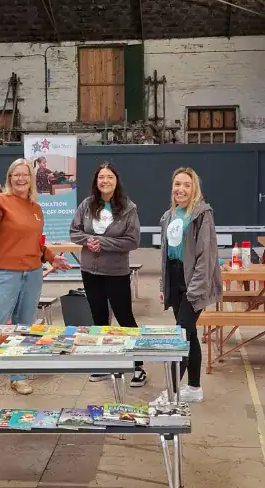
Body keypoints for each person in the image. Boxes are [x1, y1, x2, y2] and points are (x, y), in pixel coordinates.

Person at [0, 159, 72, 402]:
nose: (21, 179)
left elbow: (35, 242)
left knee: (24, 327)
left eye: (25, 174)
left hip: (32, 274)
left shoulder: (35, 207)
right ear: (10, 178)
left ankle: (18, 376)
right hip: (4, 274)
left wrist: (51, 258)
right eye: (16, 175)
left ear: (31, 179)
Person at [70, 162, 146, 387]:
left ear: (116, 181)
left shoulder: (128, 208)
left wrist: (102, 242)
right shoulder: (86, 205)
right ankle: (104, 362)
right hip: (90, 271)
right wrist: (88, 241)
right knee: (99, 318)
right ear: (96, 181)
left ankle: (138, 366)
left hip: (116, 272)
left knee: (125, 319)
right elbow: (75, 232)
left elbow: (132, 241)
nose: (105, 181)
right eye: (101, 177)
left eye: (109, 177)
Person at [155, 167, 222, 403]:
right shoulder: (168, 216)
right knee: (190, 334)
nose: (180, 189)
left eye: (186, 185)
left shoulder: (202, 214)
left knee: (180, 336)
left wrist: (194, 290)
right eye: (177, 184)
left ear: (194, 189)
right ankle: (194, 388)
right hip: (175, 278)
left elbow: (206, 256)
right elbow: (166, 254)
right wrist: (164, 285)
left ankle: (172, 393)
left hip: (194, 281)